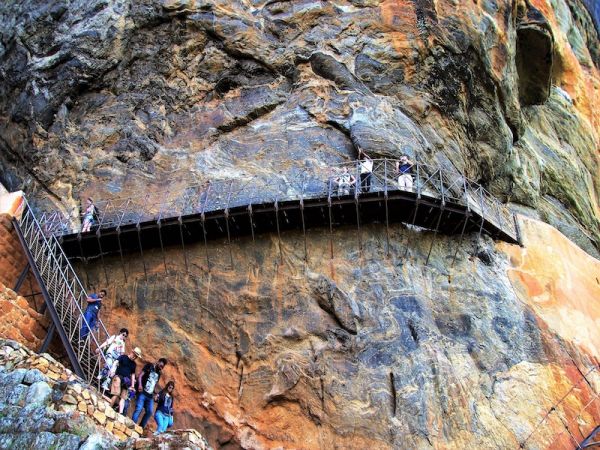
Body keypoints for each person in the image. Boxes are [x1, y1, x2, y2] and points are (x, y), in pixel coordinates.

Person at [132, 358, 168, 429]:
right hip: (143, 392)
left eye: (162, 367)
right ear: (158, 362)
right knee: (139, 408)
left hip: (150, 395)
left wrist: (155, 394)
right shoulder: (149, 366)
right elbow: (140, 375)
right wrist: (140, 385)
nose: (161, 367)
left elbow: (153, 384)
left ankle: (140, 427)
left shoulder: (159, 373)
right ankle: (132, 425)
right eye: (161, 365)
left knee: (150, 411)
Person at [108, 347, 141, 414]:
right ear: (132, 352)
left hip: (126, 381)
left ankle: (120, 414)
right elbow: (116, 362)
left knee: (123, 397)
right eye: (134, 355)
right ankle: (108, 409)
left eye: (136, 357)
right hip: (118, 377)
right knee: (116, 394)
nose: (134, 357)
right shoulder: (123, 357)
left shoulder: (134, 364)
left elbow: (133, 375)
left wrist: (132, 385)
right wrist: (112, 371)